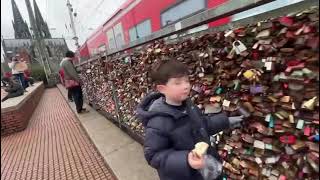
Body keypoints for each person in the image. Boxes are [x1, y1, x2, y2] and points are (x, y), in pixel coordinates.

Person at [136, 60, 244, 180]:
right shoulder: (158, 121)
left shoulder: (189, 106)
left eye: (187, 80)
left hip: (204, 170)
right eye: (177, 83)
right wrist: (186, 160)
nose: (186, 85)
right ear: (162, 89)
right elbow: (153, 156)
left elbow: (202, 125)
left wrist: (226, 121)